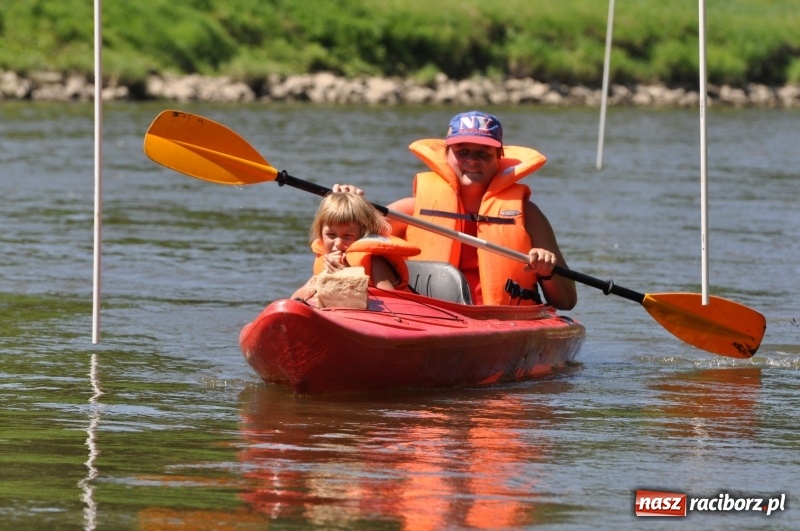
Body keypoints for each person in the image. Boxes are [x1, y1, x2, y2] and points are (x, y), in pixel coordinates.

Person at [334, 110, 577, 310]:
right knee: (371, 253)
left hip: (502, 321)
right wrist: (348, 203)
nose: (472, 160)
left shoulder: (528, 215)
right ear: (447, 155)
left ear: (498, 158)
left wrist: (547, 270)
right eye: (462, 152)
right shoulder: (410, 210)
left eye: (483, 153)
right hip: (431, 319)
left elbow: (566, 301)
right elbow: (348, 236)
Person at [291, 192, 420, 300]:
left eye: (347, 236)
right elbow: (295, 300)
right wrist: (319, 283)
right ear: (321, 234)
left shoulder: (375, 262)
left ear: (364, 235)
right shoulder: (326, 262)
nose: (338, 243)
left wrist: (348, 278)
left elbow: (392, 303)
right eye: (331, 235)